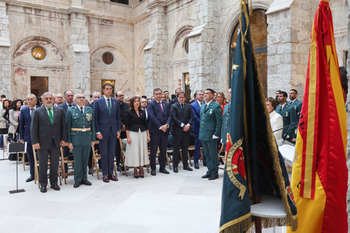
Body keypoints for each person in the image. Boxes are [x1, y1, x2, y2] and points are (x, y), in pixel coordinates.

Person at [31, 92, 67, 193]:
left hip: (56, 142)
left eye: (51, 98)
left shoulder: (59, 111)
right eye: (46, 98)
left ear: (54, 100)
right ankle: (43, 184)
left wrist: (63, 139)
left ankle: (54, 183)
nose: (49, 100)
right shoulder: (37, 112)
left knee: (55, 163)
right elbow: (34, 128)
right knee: (43, 164)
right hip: (42, 142)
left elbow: (63, 126)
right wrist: (35, 142)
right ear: (42, 100)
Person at [93, 83, 121, 183]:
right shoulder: (98, 102)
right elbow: (95, 118)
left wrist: (118, 130)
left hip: (113, 131)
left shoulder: (115, 101)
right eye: (107, 89)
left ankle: (111, 173)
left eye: (110, 89)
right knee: (104, 153)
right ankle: (104, 174)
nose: (109, 90)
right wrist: (97, 131)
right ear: (103, 90)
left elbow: (118, 117)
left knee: (111, 153)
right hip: (102, 131)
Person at [66, 94, 95, 188]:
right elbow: (68, 127)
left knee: (85, 159)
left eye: (83, 97)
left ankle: (85, 178)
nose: (81, 99)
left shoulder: (90, 110)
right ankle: (78, 179)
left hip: (87, 136)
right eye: (79, 98)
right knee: (78, 160)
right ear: (75, 100)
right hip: (76, 138)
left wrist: (93, 139)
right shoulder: (70, 111)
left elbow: (93, 125)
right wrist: (69, 141)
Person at [147, 87, 171, 176]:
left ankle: (162, 167)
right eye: (156, 94)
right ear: (154, 95)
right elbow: (151, 116)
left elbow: (170, 116)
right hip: (155, 130)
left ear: (162, 94)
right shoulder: (151, 104)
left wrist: (166, 125)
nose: (158, 95)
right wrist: (160, 126)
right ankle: (153, 168)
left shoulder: (166, 104)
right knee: (153, 150)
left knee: (163, 149)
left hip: (165, 131)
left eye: (160, 94)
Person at [199, 88, 222, 180]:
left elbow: (219, 121)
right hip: (204, 134)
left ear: (212, 95)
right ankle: (209, 171)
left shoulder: (216, 106)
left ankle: (215, 172)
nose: (205, 95)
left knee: (213, 155)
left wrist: (216, 133)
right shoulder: (203, 106)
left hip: (212, 134)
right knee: (207, 155)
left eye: (207, 93)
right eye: (205, 93)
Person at [125, 96, 150, 178]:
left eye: (138, 101)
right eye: (135, 101)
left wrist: (148, 134)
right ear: (132, 103)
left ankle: (141, 168)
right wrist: (128, 137)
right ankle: (135, 169)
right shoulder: (129, 112)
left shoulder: (142, 112)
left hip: (142, 133)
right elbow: (127, 126)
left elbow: (146, 124)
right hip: (133, 133)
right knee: (135, 151)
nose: (137, 102)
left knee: (142, 150)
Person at [170, 91, 193, 173]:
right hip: (177, 130)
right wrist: (183, 125)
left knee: (185, 148)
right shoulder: (174, 106)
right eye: (180, 97)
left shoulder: (188, 106)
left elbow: (191, 117)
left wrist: (188, 124)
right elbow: (174, 117)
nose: (181, 99)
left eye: (183, 97)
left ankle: (185, 165)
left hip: (187, 131)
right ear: (177, 98)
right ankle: (175, 166)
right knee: (176, 149)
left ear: (185, 98)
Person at [19, 94, 38, 182]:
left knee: (39, 157)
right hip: (28, 137)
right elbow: (21, 125)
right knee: (30, 157)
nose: (30, 101)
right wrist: (21, 137)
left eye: (31, 99)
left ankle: (40, 174)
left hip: (39, 137)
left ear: (35, 101)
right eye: (28, 99)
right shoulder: (23, 111)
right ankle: (32, 175)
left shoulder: (40, 109)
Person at [191, 90, 205, 169]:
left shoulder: (206, 104)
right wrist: (203, 123)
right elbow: (194, 116)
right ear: (196, 96)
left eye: (202, 94)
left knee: (205, 145)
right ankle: (196, 161)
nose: (201, 96)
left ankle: (205, 161)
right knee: (197, 145)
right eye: (199, 94)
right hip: (197, 128)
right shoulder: (193, 105)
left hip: (206, 129)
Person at [115, 91, 130, 171]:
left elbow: (129, 116)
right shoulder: (114, 105)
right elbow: (115, 117)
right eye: (119, 95)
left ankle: (126, 163)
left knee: (127, 147)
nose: (121, 97)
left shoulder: (127, 105)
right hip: (118, 130)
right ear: (116, 97)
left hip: (126, 129)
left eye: (122, 95)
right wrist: (121, 125)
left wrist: (126, 126)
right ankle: (118, 164)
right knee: (118, 149)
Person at [87, 91, 101, 174]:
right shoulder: (88, 107)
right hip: (91, 132)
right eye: (95, 97)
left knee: (101, 150)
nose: (97, 99)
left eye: (98, 97)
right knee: (90, 152)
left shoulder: (103, 106)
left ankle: (102, 166)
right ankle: (90, 167)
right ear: (92, 98)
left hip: (101, 132)